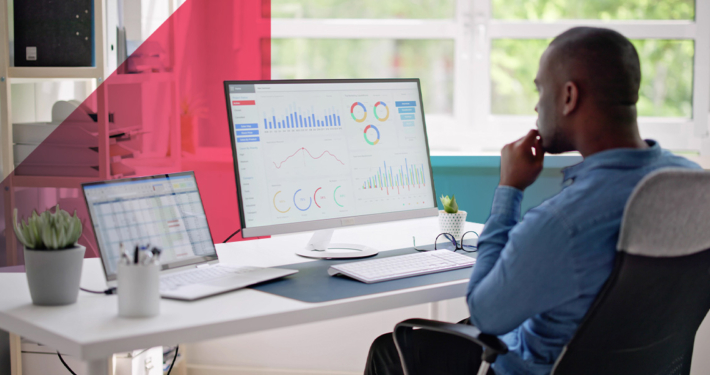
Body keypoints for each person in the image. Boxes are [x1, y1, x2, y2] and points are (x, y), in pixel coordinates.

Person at [364, 26, 701, 375]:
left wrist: (509, 189)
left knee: (390, 352)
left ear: (569, 96)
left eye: (541, 89)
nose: (537, 104)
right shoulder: (694, 183)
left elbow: (486, 314)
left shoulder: (564, 222)